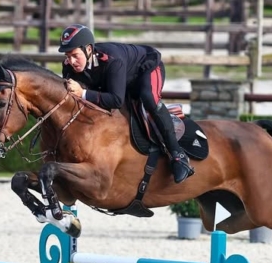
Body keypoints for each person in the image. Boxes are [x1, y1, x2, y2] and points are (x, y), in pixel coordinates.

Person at [57, 24, 195, 184]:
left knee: (148, 98)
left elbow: (116, 100)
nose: (71, 61)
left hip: (147, 67)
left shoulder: (112, 60)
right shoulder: (68, 66)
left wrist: (83, 93)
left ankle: (178, 156)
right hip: (123, 78)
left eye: (75, 55)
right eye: (67, 56)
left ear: (88, 49)